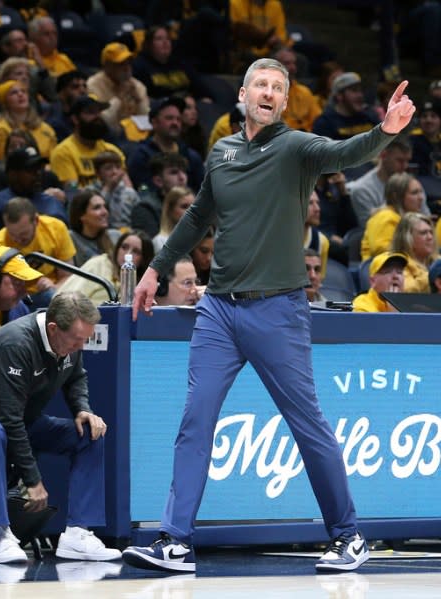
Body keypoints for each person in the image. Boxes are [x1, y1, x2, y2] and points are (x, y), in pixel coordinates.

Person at [122, 58, 416, 574]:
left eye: (278, 88)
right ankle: (175, 540)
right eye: (261, 83)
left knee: (307, 424)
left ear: (284, 102)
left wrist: (383, 131)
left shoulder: (297, 148)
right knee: (195, 421)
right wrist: (155, 269)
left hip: (278, 310)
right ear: (242, 94)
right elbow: (196, 218)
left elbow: (344, 153)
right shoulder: (223, 152)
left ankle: (347, 536)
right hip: (217, 310)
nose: (269, 92)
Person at [0, 291, 122, 564]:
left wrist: (83, 410)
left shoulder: (68, 342)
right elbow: (8, 418)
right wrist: (33, 481)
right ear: (53, 328)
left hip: (20, 420)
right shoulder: (17, 343)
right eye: (76, 340)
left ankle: (78, 533)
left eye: (85, 340)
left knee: (89, 434)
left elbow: (76, 377)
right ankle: (1, 534)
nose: (80, 347)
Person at [0, 197, 75, 308]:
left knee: (58, 298)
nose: (18, 240)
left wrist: (55, 286)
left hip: (53, 291)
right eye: (12, 234)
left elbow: (68, 275)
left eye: (23, 234)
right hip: (18, 300)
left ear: (36, 220)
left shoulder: (56, 228)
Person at [0, 146, 67, 236]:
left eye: (39, 168)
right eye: (31, 170)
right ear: (12, 174)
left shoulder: (52, 202)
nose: (38, 174)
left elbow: (65, 238)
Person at [127, 96, 204, 191]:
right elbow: (145, 193)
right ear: (154, 122)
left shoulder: (191, 156)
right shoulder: (141, 156)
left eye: (178, 119)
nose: (175, 123)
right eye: (169, 118)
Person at [49, 94, 125, 189]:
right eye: (90, 112)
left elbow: (128, 187)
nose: (97, 117)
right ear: (75, 119)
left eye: (99, 112)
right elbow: (72, 195)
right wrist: (107, 190)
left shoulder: (112, 150)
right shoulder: (63, 152)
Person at [60, 231, 154, 304]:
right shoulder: (99, 263)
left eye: (136, 252)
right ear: (117, 248)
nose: (128, 254)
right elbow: (66, 297)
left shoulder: (141, 283)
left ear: (144, 260)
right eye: (124, 247)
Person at [345, 136, 412, 228]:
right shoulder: (362, 190)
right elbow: (371, 228)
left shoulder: (412, 185)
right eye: (400, 160)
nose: (405, 166)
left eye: (407, 161)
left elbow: (425, 217)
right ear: (383, 155)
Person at [87, 42, 150, 137]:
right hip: (106, 136)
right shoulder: (93, 85)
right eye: (121, 64)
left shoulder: (137, 86)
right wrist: (119, 98)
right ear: (107, 66)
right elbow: (102, 122)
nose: (127, 68)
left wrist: (139, 100)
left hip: (136, 137)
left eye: (129, 62)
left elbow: (146, 123)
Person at [0, 79, 57, 161]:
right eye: (13, 93)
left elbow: (54, 159)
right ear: (5, 101)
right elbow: (3, 160)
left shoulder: (46, 128)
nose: (20, 94)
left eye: (23, 91)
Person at [360, 173, 424, 260]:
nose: (421, 198)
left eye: (421, 192)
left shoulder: (406, 218)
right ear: (396, 196)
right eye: (414, 193)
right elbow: (382, 252)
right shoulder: (385, 217)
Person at [130, 152, 189, 238]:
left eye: (184, 171)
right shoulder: (146, 208)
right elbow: (152, 247)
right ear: (158, 181)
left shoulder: (194, 202)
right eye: (174, 172)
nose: (182, 177)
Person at [312, 72, 379, 142]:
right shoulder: (325, 123)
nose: (360, 95)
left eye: (360, 90)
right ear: (339, 96)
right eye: (354, 90)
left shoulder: (370, 116)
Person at [274, 46, 321, 133]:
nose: (293, 68)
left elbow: (319, 122)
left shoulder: (304, 92)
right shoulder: (268, 94)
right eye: (287, 63)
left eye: (294, 63)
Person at [389, 212, 437, 293]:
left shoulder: (437, 260)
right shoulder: (398, 265)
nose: (430, 237)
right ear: (407, 238)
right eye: (423, 233)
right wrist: (436, 272)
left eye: (431, 232)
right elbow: (405, 290)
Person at [91, 151, 139, 231]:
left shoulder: (130, 193)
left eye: (118, 167)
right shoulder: (90, 192)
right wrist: (108, 188)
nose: (114, 172)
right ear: (98, 173)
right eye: (108, 168)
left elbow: (139, 218)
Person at [67, 189, 117, 267]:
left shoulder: (115, 236)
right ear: (81, 215)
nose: (105, 212)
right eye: (97, 208)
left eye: (105, 206)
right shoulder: (70, 238)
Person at [154, 186, 194, 253]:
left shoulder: (201, 239)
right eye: (184, 206)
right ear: (169, 209)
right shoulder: (161, 241)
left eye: (193, 207)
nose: (190, 211)